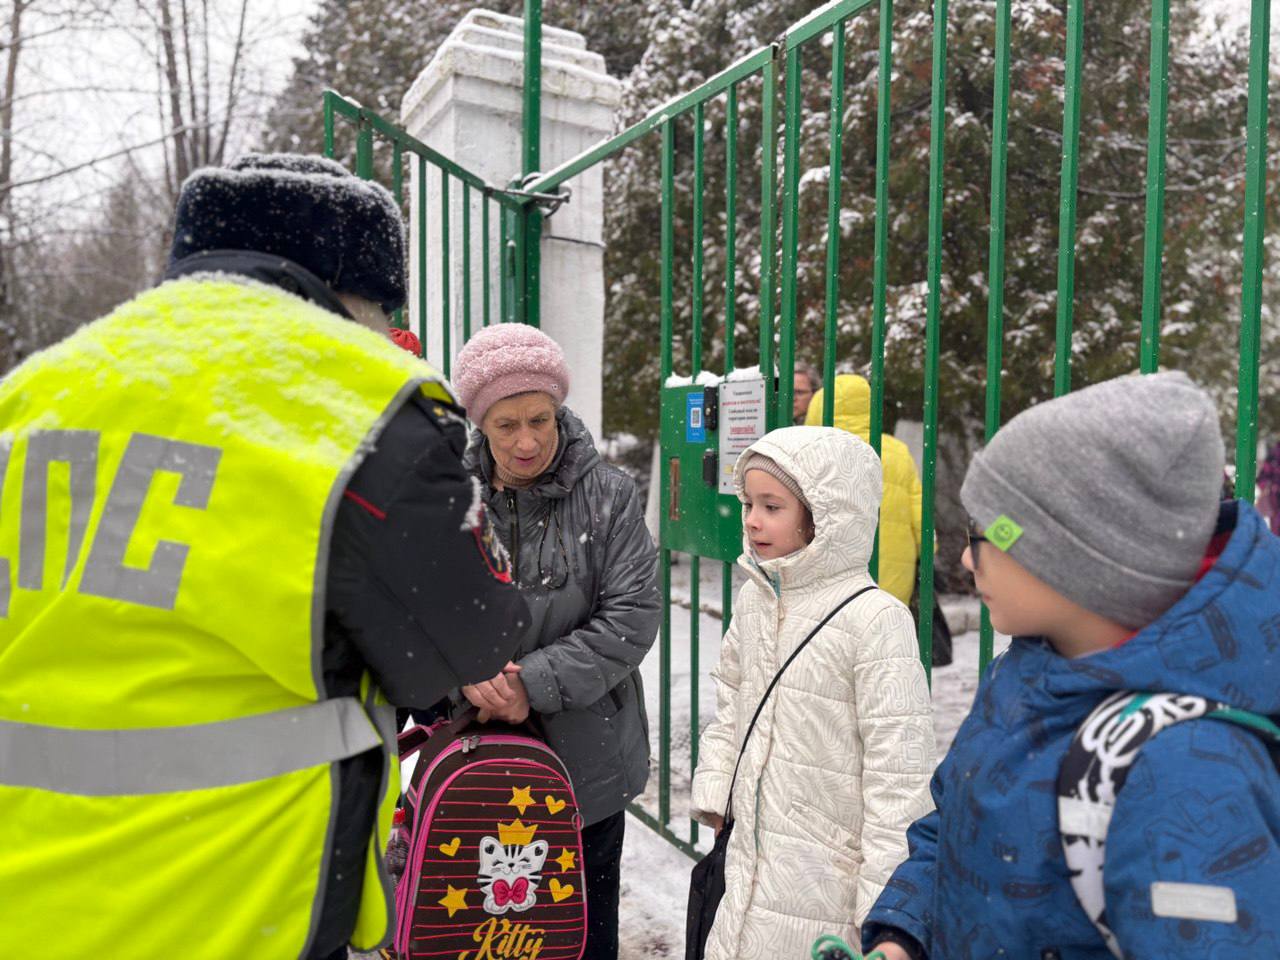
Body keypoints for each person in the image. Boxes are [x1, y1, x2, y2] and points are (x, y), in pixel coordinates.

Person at [0, 153, 530, 959]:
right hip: (232, 909)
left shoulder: (34, 392)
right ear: (358, 297)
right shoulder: (351, 400)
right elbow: (473, 639)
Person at [864, 371, 1280, 960]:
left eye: (984, 533)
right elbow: (957, 824)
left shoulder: (1188, 766)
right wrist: (904, 932)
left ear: (1083, 558)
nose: (964, 555)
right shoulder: (1029, 669)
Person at [451, 323, 661, 960]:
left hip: (586, 757)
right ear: (480, 424)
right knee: (483, 929)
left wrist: (528, 684)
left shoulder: (611, 497)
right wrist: (463, 671)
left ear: (559, 409)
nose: (526, 441)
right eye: (505, 425)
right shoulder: (450, 499)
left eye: (539, 418)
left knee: (580, 933)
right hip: (474, 758)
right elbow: (417, 609)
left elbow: (633, 613)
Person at [690, 426, 935, 960]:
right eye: (749, 502)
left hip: (827, 876)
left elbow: (899, 777)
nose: (752, 520)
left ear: (825, 515)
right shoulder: (757, 597)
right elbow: (731, 695)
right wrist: (717, 785)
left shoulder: (876, 620)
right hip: (751, 855)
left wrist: (885, 911)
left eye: (772, 506)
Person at [805, 374, 923, 607]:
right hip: (893, 576)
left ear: (820, 408)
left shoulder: (816, 453)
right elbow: (921, 520)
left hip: (833, 574)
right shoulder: (897, 450)